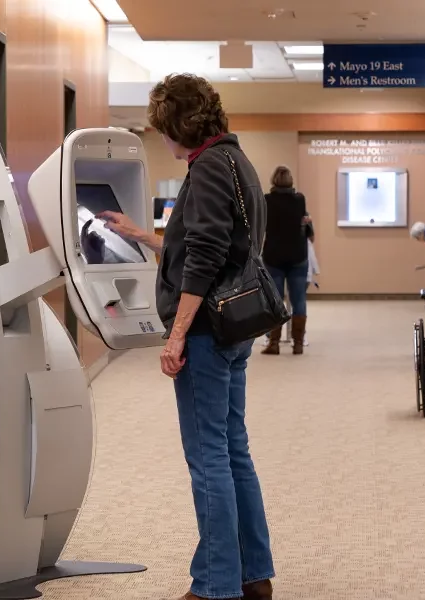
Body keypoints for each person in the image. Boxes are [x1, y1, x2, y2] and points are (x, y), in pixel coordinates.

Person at [95, 73, 275, 600]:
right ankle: (252, 576)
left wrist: (175, 338)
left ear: (177, 124)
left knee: (209, 457)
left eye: (162, 129)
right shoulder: (235, 160)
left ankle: (217, 586)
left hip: (205, 332)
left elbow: (204, 259)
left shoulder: (209, 169)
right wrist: (143, 236)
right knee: (232, 449)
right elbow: (206, 242)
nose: (163, 140)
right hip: (232, 326)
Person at [261, 166, 311, 355]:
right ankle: (297, 343)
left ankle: (273, 343)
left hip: (273, 256)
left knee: (275, 300)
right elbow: (303, 221)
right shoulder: (299, 199)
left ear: (274, 180)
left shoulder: (267, 200)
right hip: (298, 255)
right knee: (299, 300)